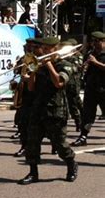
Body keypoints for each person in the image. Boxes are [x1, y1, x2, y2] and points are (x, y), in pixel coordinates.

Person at [18, 36, 78, 185]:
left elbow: (58, 82)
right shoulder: (40, 65)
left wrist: (49, 65)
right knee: (32, 142)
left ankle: (71, 164)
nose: (43, 51)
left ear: (55, 49)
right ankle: (33, 173)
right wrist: (33, 69)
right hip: (38, 108)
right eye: (42, 48)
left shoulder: (65, 65)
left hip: (55, 110)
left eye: (46, 49)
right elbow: (31, 88)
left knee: (59, 144)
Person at [71, 31, 105, 146]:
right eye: (93, 41)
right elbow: (86, 70)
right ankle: (83, 136)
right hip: (91, 88)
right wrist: (82, 67)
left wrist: (95, 63)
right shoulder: (90, 53)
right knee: (87, 114)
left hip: (103, 88)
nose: (94, 44)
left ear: (103, 41)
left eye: (97, 41)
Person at [61, 39, 83, 132]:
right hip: (64, 83)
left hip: (73, 84)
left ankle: (79, 122)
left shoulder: (74, 57)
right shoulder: (62, 57)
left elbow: (75, 69)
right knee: (64, 105)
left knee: (73, 103)